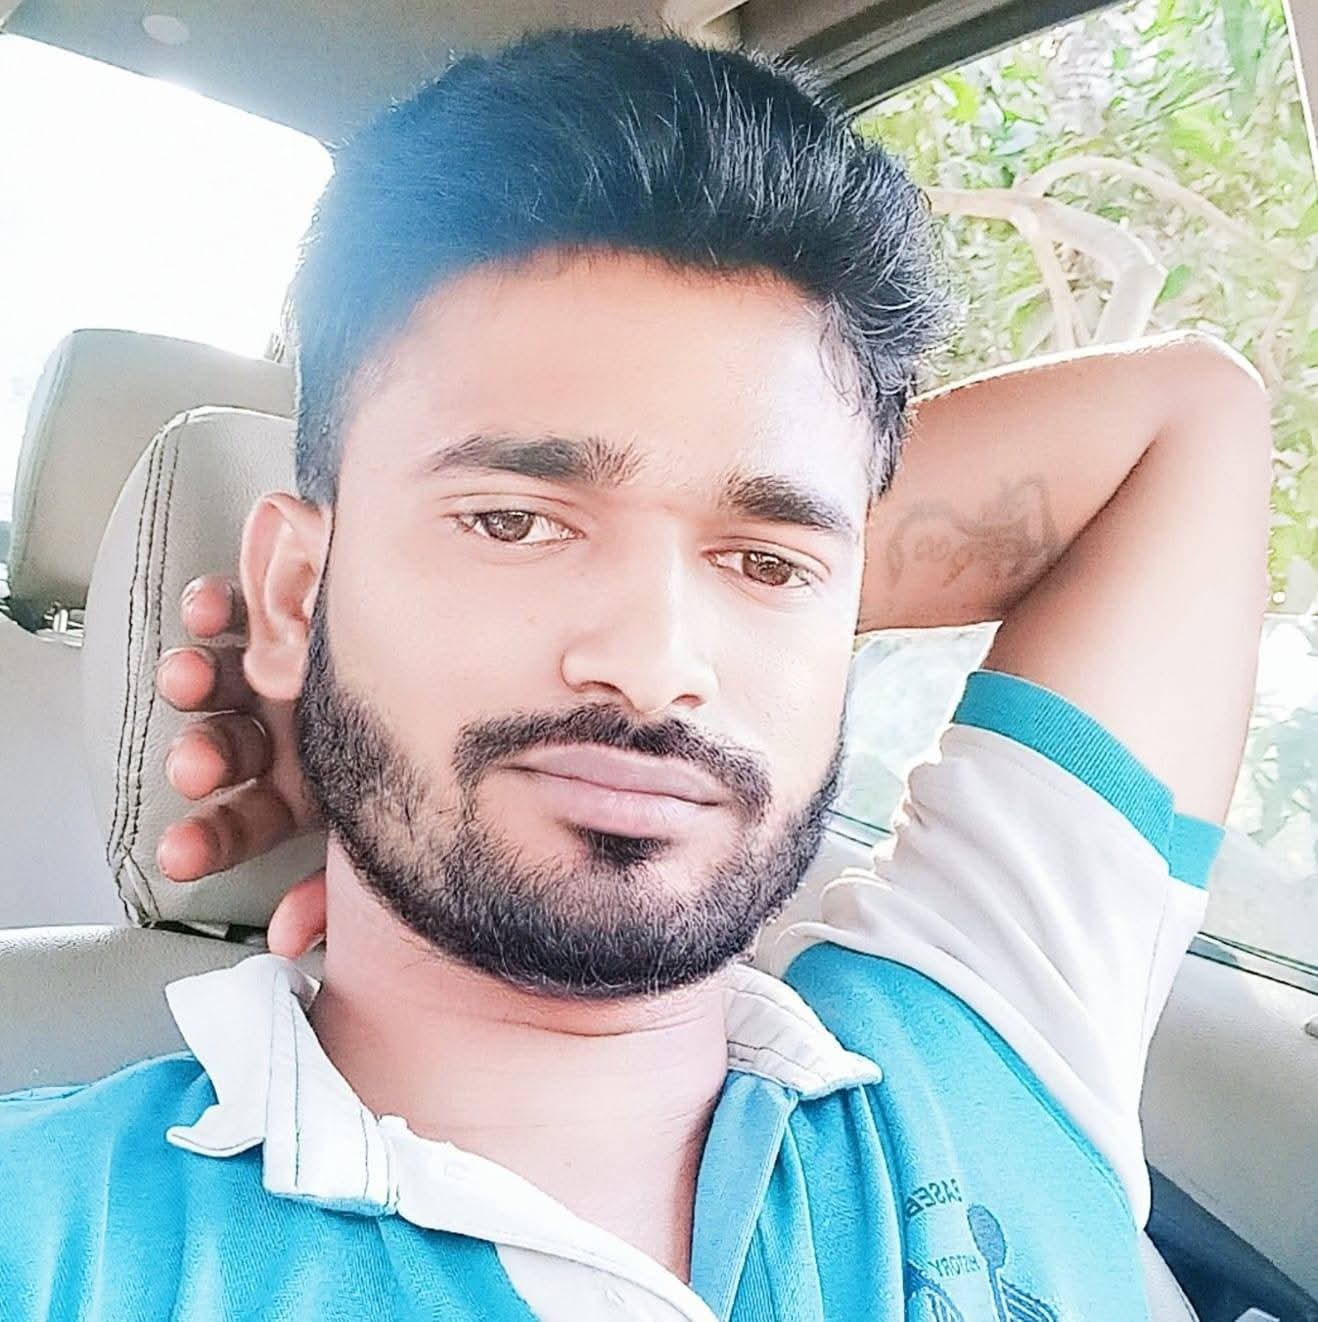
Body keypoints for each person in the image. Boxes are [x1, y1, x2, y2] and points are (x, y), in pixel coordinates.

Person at [0, 25, 1271, 1322]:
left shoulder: (982, 1028)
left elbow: (1191, 417)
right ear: (294, 595)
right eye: (512, 521)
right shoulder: (50, 1234)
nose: (659, 665)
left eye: (765, 561)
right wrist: (367, 658)